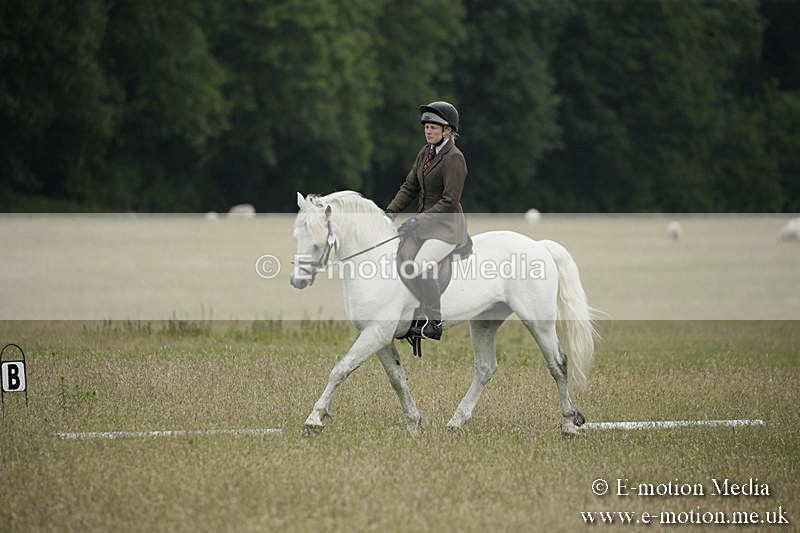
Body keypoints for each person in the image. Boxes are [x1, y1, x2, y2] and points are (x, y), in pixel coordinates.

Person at [385, 101, 469, 341]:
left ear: (447, 130)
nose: (428, 131)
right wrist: (390, 212)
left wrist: (418, 221)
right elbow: (409, 187)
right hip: (425, 225)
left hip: (447, 228)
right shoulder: (425, 152)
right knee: (398, 257)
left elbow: (449, 201)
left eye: (434, 127)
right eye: (426, 127)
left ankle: (433, 321)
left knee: (420, 265)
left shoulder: (454, 158)